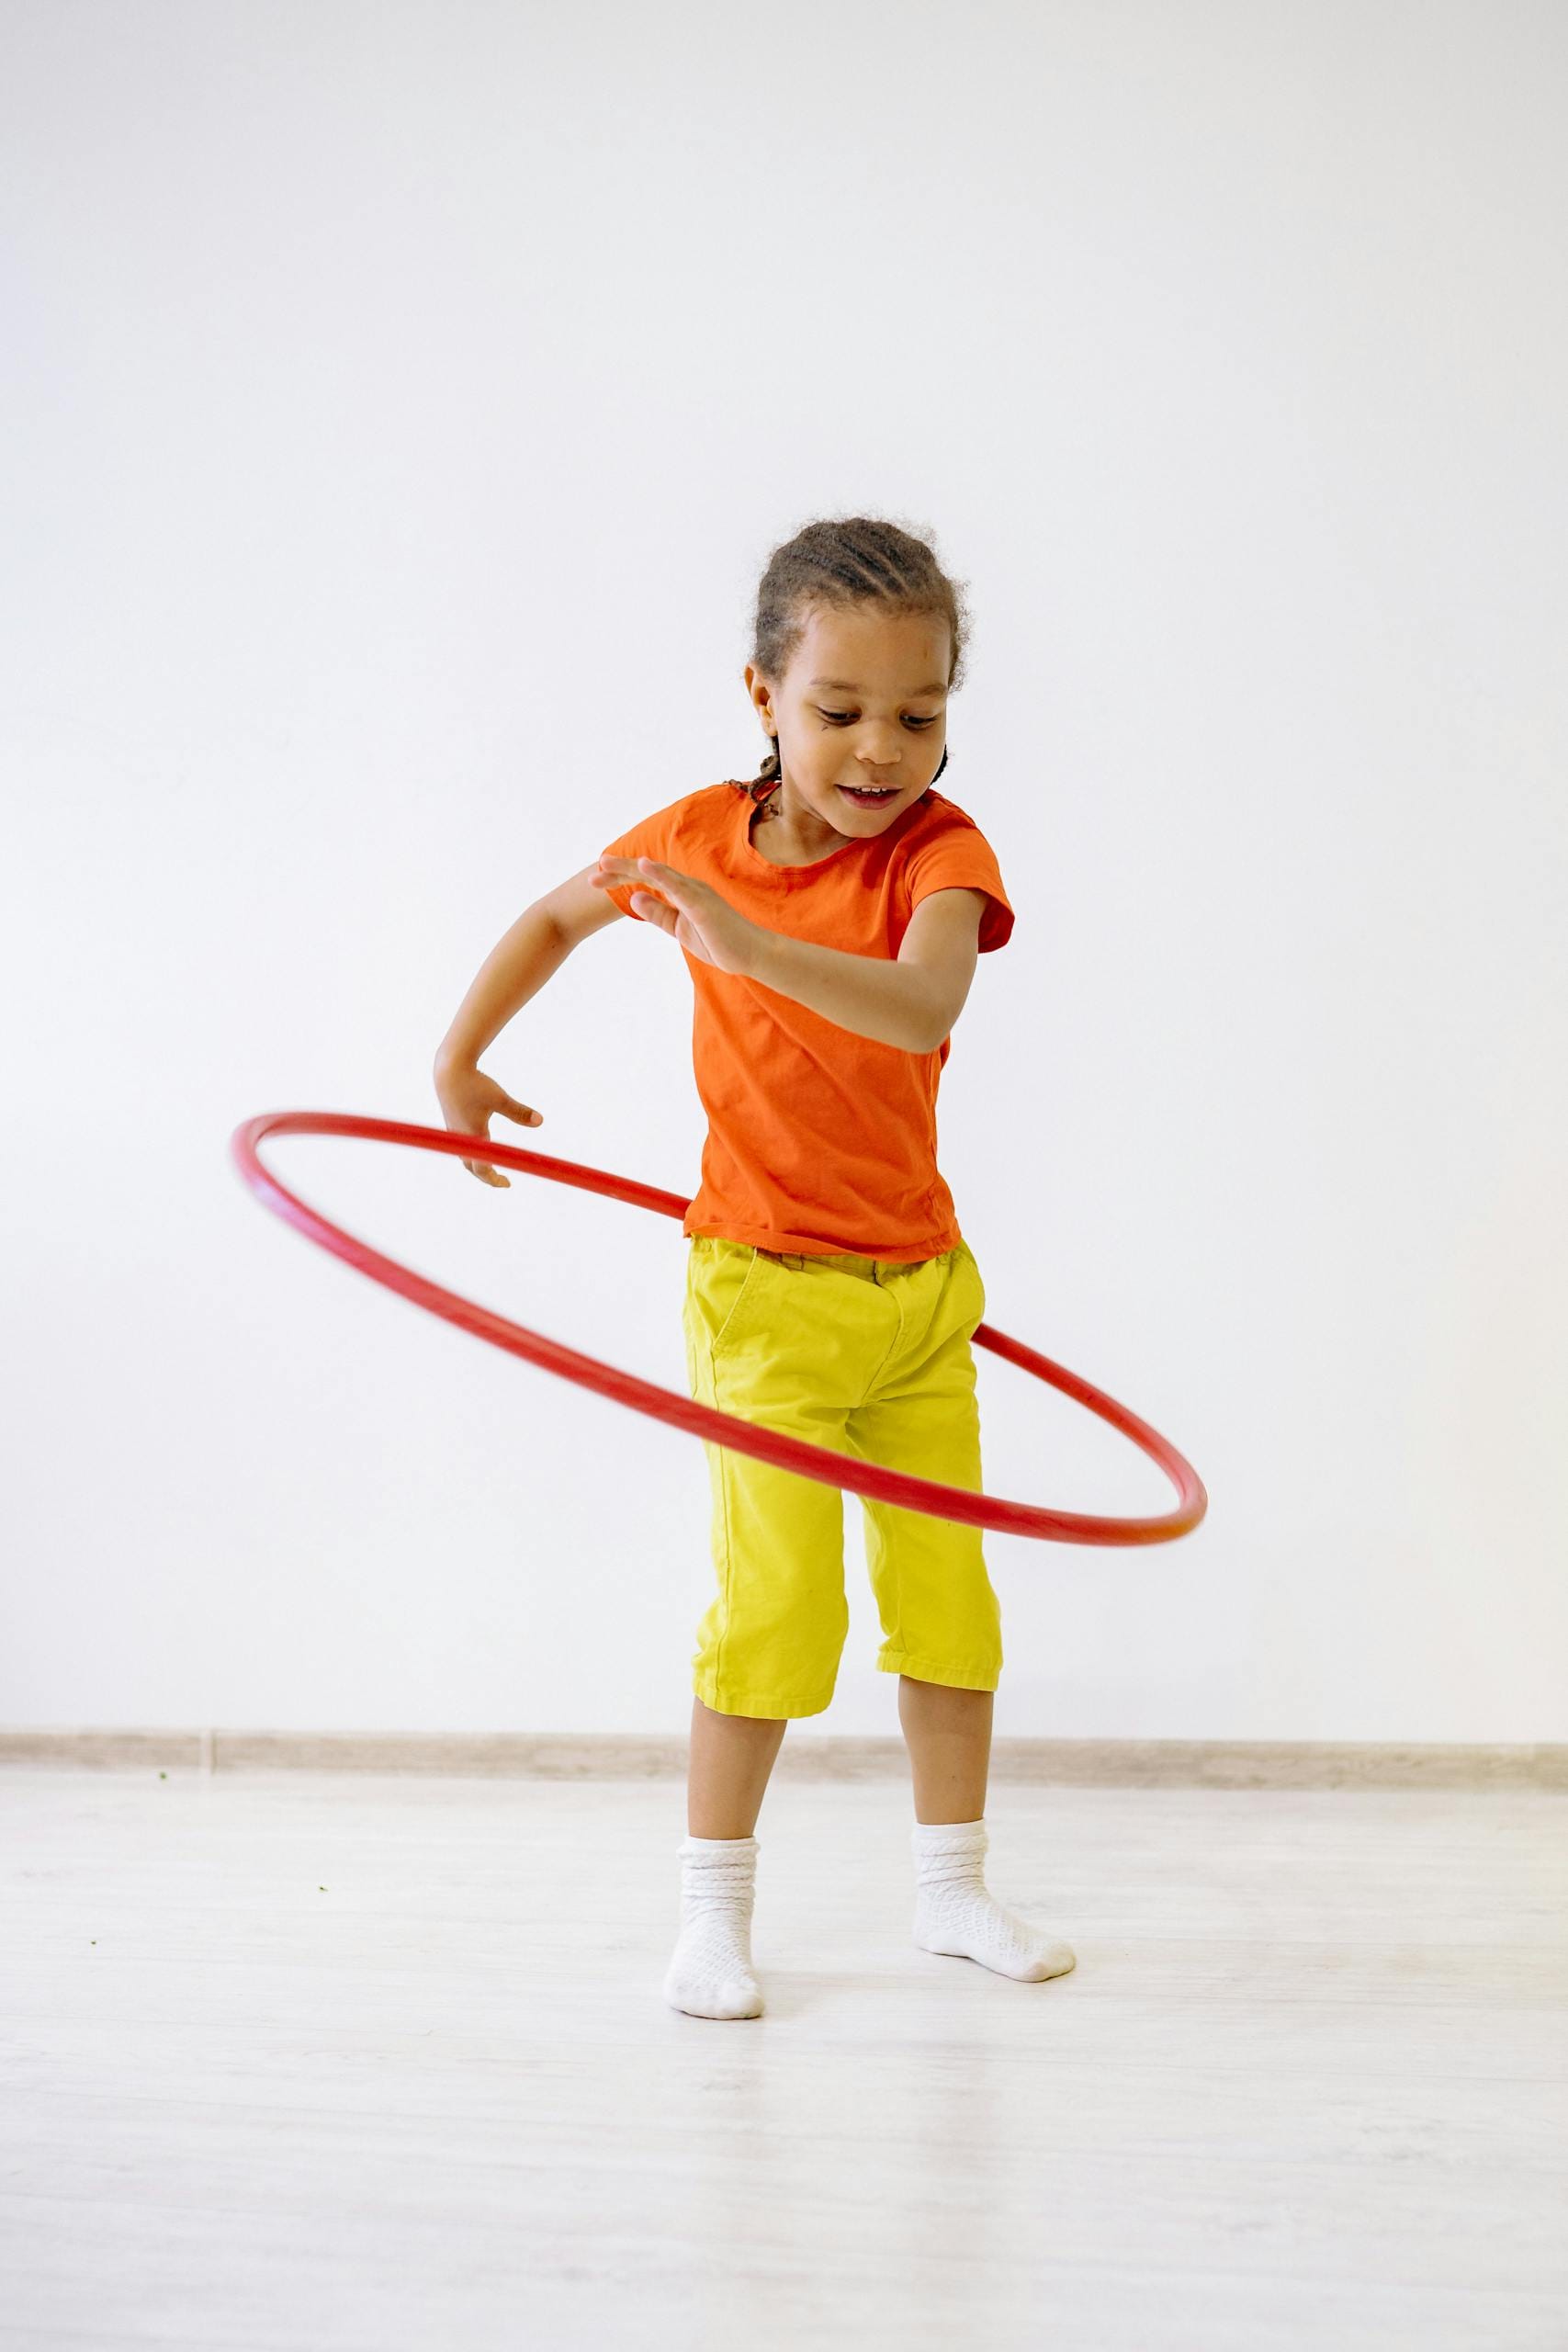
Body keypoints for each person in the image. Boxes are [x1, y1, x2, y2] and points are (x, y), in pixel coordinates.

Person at [434, 514, 1076, 2022]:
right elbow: (554, 912)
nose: (880, 748)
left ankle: (949, 1891)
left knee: (950, 1608)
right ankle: (712, 1915)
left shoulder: (943, 853)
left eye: (919, 715)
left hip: (921, 1298)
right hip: (764, 1292)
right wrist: (464, 1053)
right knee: (777, 1611)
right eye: (839, 710)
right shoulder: (695, 844)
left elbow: (920, 1010)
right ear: (761, 699)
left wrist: (734, 945)